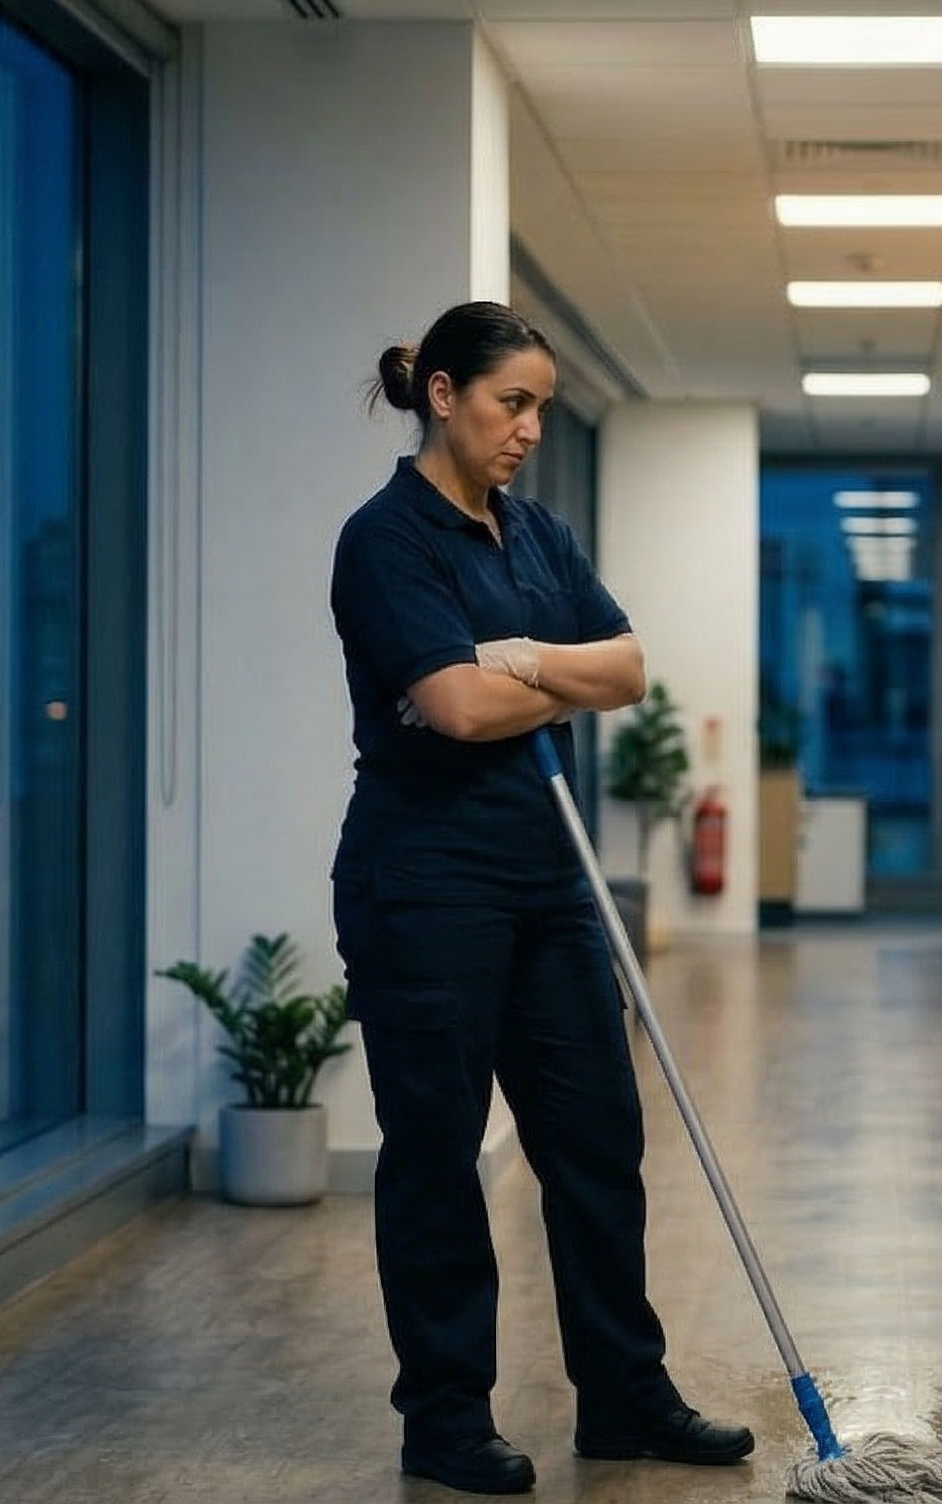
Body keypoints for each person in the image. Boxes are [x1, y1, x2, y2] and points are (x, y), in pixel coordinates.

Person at [327, 300, 753, 1495]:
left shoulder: (538, 535)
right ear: (444, 393)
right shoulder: (387, 540)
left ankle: (622, 1396)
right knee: (437, 1157)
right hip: (425, 886)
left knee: (597, 1144)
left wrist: (508, 659)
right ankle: (447, 1416)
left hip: (546, 882)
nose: (528, 429)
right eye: (511, 403)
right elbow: (454, 714)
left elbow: (626, 669)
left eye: (542, 410)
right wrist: (526, 677)